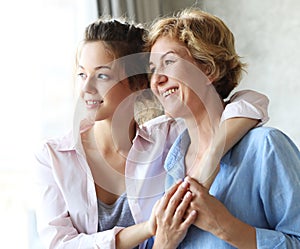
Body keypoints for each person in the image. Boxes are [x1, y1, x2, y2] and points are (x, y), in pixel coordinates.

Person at [34, 17, 269, 249]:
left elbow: (249, 101)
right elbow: (59, 244)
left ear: (138, 83)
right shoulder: (54, 156)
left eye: (102, 75)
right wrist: (150, 228)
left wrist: (212, 156)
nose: (86, 88)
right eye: (82, 75)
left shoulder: (168, 136)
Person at [145, 8, 300, 249]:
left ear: (208, 69)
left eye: (169, 62)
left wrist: (225, 226)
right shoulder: (168, 168)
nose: (156, 80)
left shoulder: (265, 148)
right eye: (153, 69)